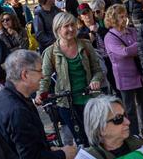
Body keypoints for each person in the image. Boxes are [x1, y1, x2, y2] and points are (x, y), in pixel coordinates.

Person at [0, 49, 76, 159]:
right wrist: (63, 155)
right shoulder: (17, 110)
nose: (43, 76)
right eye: (39, 71)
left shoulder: (3, 98)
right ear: (25, 74)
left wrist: (49, 149)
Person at [39, 12, 105, 146]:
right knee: (82, 140)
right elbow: (44, 77)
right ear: (58, 29)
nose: (71, 29)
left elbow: (97, 70)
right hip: (67, 103)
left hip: (90, 99)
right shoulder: (51, 52)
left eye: (73, 25)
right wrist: (41, 93)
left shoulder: (86, 45)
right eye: (66, 26)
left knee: (98, 137)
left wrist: (95, 80)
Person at [103, 4, 143, 139]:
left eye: (125, 16)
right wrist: (139, 45)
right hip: (124, 78)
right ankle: (134, 134)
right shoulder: (110, 37)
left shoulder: (131, 31)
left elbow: (138, 48)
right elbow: (124, 52)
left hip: (139, 75)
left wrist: (137, 47)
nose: (125, 19)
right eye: (121, 17)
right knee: (129, 109)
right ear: (113, 19)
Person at [83, 94, 143, 159]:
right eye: (118, 118)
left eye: (124, 115)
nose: (128, 122)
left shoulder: (139, 143)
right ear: (100, 129)